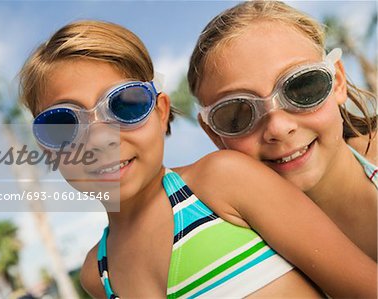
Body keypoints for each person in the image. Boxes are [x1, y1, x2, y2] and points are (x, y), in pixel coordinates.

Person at [19, 20, 376, 298]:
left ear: (160, 113)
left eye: (125, 105)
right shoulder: (97, 275)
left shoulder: (223, 181)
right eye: (63, 123)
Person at [188, 1, 378, 261]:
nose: (278, 127)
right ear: (213, 134)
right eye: (238, 114)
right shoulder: (239, 250)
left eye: (301, 88)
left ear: (337, 83)